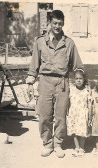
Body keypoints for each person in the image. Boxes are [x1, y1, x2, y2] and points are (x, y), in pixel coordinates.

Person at [26, 10, 83, 158]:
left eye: (60, 23)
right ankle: (47, 143)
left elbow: (78, 65)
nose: (57, 26)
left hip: (62, 82)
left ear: (63, 24)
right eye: (55, 23)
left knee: (60, 116)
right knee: (44, 115)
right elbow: (34, 65)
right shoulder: (40, 42)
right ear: (49, 23)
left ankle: (58, 143)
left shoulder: (69, 43)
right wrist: (30, 82)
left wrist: (81, 80)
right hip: (45, 81)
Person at [66, 69, 92, 157]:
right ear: (74, 79)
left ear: (84, 79)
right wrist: (67, 112)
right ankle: (76, 147)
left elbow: (89, 104)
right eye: (76, 78)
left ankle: (82, 147)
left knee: (82, 131)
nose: (78, 80)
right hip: (73, 114)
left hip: (82, 114)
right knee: (74, 131)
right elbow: (68, 102)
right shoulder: (71, 90)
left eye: (80, 78)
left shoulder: (87, 91)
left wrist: (90, 116)